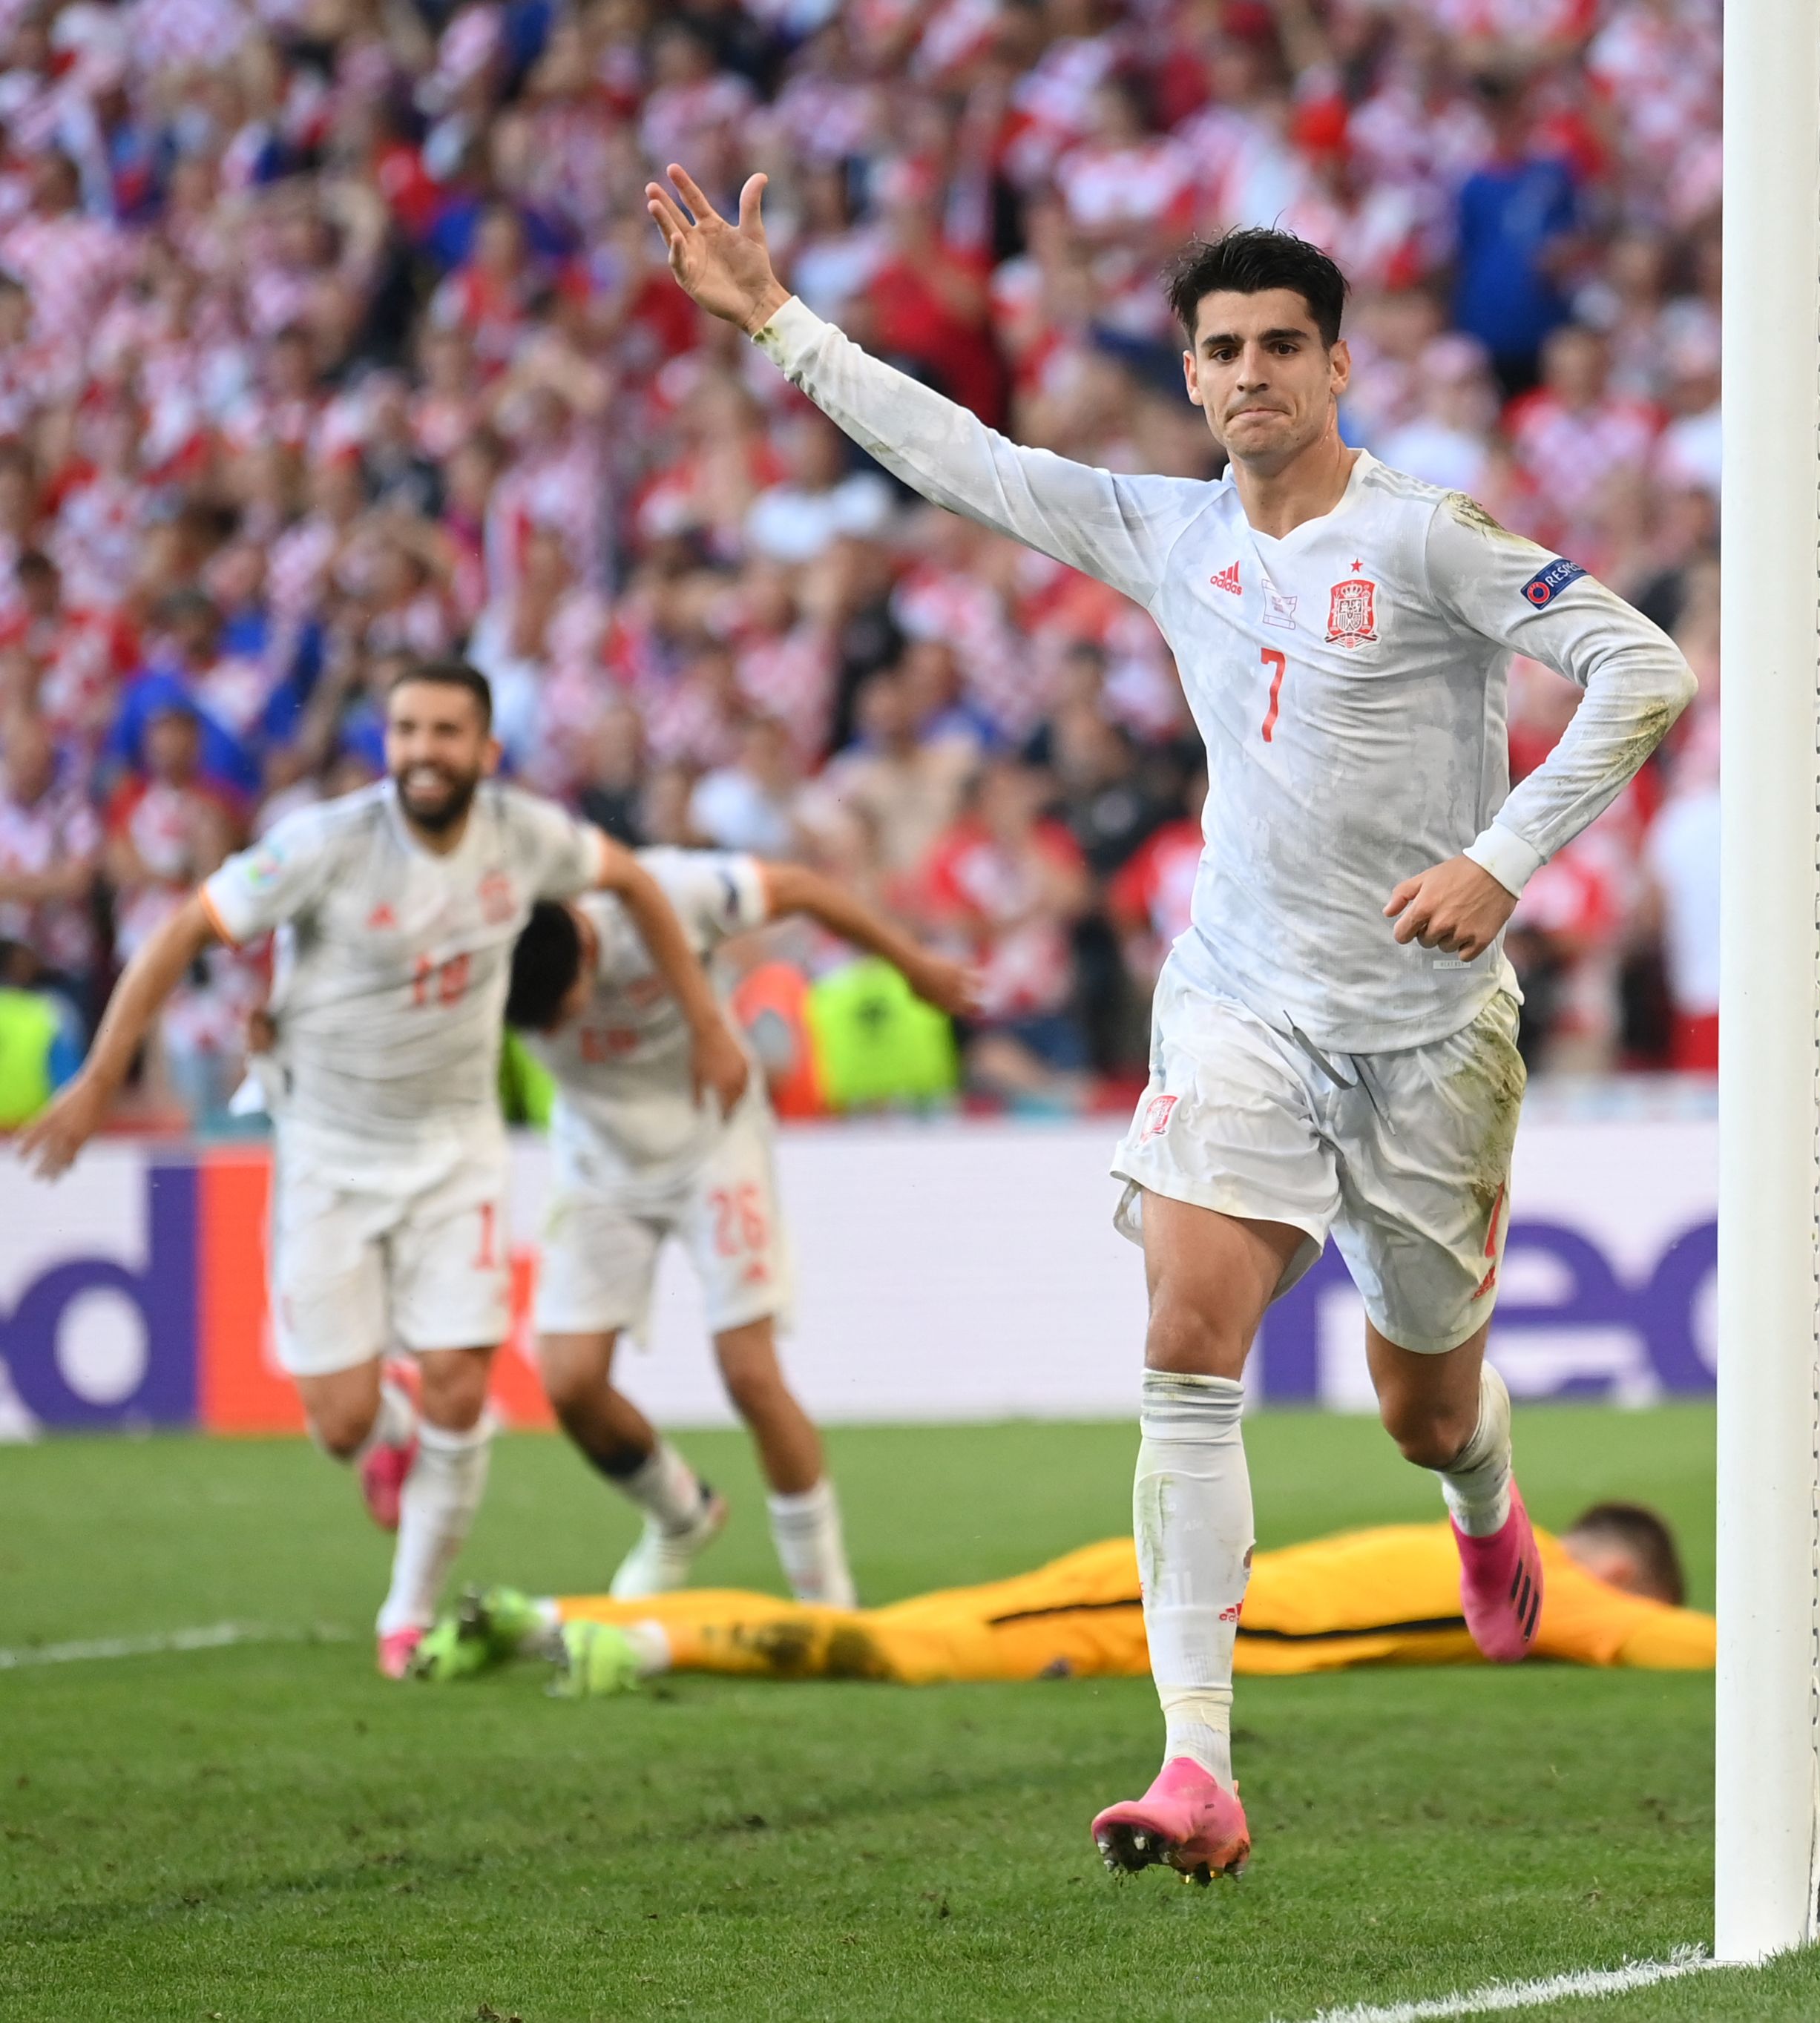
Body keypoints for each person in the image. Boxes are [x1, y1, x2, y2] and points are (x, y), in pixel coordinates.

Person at [644, 167, 1695, 1880]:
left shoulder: (1427, 536)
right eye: (1223, 349)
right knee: (1186, 1338)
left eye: (1286, 344)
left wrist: (1500, 858)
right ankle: (1196, 1761)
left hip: (1429, 1032)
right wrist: (779, 321)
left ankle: (1485, 1500)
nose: (1252, 373)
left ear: (1338, 368)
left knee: (1421, 1403)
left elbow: (1644, 667)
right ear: (1193, 375)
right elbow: (964, 459)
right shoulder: (1163, 527)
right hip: (1242, 1000)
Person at [17, 662, 751, 1677]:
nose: (422, 751)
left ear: (485, 752)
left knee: (462, 1382)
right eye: (406, 730)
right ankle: (389, 1433)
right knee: (338, 1419)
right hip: (326, 1150)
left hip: (457, 1150)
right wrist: (102, 1077)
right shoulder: (328, 841)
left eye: (446, 732)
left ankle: (405, 1616)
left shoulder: (526, 835)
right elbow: (188, 923)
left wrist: (709, 1022)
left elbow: (630, 881)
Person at [500, 847, 979, 1608]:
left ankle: (827, 1600)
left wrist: (910, 963)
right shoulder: (487, 941)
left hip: (715, 1142)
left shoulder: (671, 894)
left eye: (561, 1009)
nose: (558, 1031)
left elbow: (803, 887)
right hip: (597, 1164)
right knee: (568, 1382)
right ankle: (680, 1514)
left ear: (586, 956)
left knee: (749, 1374)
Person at [412, 1501, 1712, 1697]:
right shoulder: (1551, 1585)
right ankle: (612, 1637)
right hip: (1161, 1604)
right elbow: (1694, 1645)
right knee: (903, 1648)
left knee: (914, 1637)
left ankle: (544, 1616)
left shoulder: (1490, 1542)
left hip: (1170, 1601)